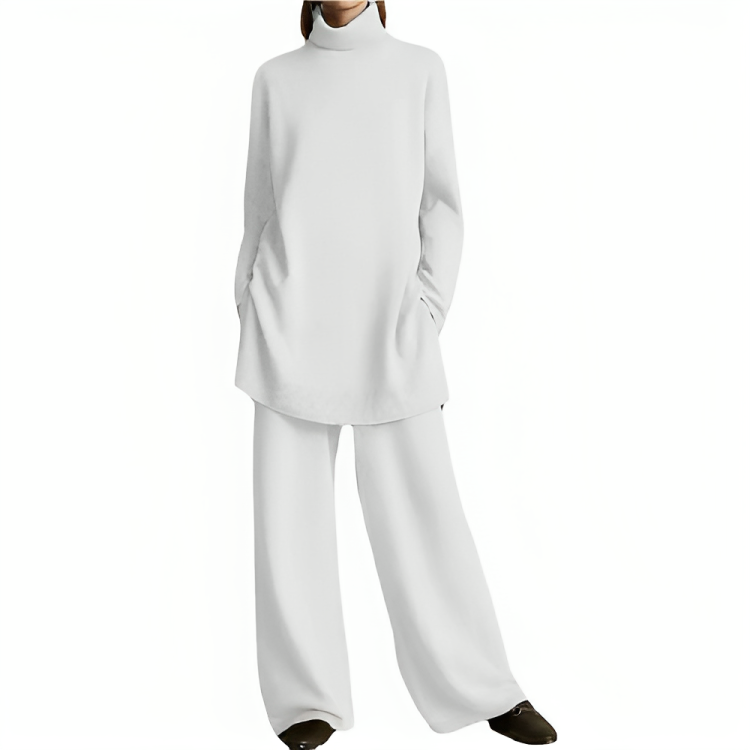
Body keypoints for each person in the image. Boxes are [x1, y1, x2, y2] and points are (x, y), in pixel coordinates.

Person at [233, 2, 557, 747]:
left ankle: (482, 686)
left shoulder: (418, 70)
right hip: (288, 321)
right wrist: (248, 301)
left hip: (392, 324)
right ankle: (306, 701)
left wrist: (428, 308)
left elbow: (442, 205)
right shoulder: (275, 79)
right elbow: (258, 208)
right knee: (288, 521)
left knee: (425, 511)